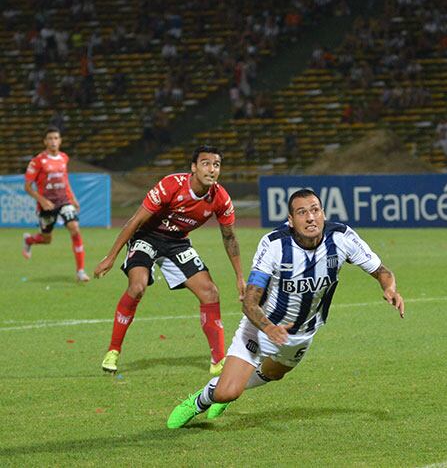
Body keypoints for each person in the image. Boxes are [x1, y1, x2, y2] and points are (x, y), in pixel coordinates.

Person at [166, 188, 405, 429]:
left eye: (315, 210)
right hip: (260, 327)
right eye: (302, 213)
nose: (310, 218)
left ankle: (229, 383)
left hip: (303, 332)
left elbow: (382, 271)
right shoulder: (274, 245)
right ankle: (201, 400)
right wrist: (268, 327)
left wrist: (390, 289)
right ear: (291, 220)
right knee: (227, 393)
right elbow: (250, 302)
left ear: (323, 213)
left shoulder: (342, 238)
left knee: (274, 373)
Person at [93, 145, 246, 375]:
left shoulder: (221, 198)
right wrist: (111, 256)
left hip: (177, 242)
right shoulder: (171, 185)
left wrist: (239, 277)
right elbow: (135, 221)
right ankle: (113, 351)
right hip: (147, 236)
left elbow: (230, 237)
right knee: (137, 286)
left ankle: (218, 361)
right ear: (193, 167)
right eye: (205, 163)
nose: (212, 169)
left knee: (210, 292)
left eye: (216, 164)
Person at [22, 126, 90, 282]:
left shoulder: (64, 158)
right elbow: (27, 187)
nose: (53, 141)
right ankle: (29, 240)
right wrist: (42, 200)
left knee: (74, 228)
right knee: (46, 239)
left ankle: (80, 271)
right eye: (50, 138)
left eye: (56, 138)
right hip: (47, 205)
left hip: (63, 201)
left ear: (60, 141)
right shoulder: (37, 161)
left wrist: (72, 198)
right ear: (45, 141)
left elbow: (64, 180)